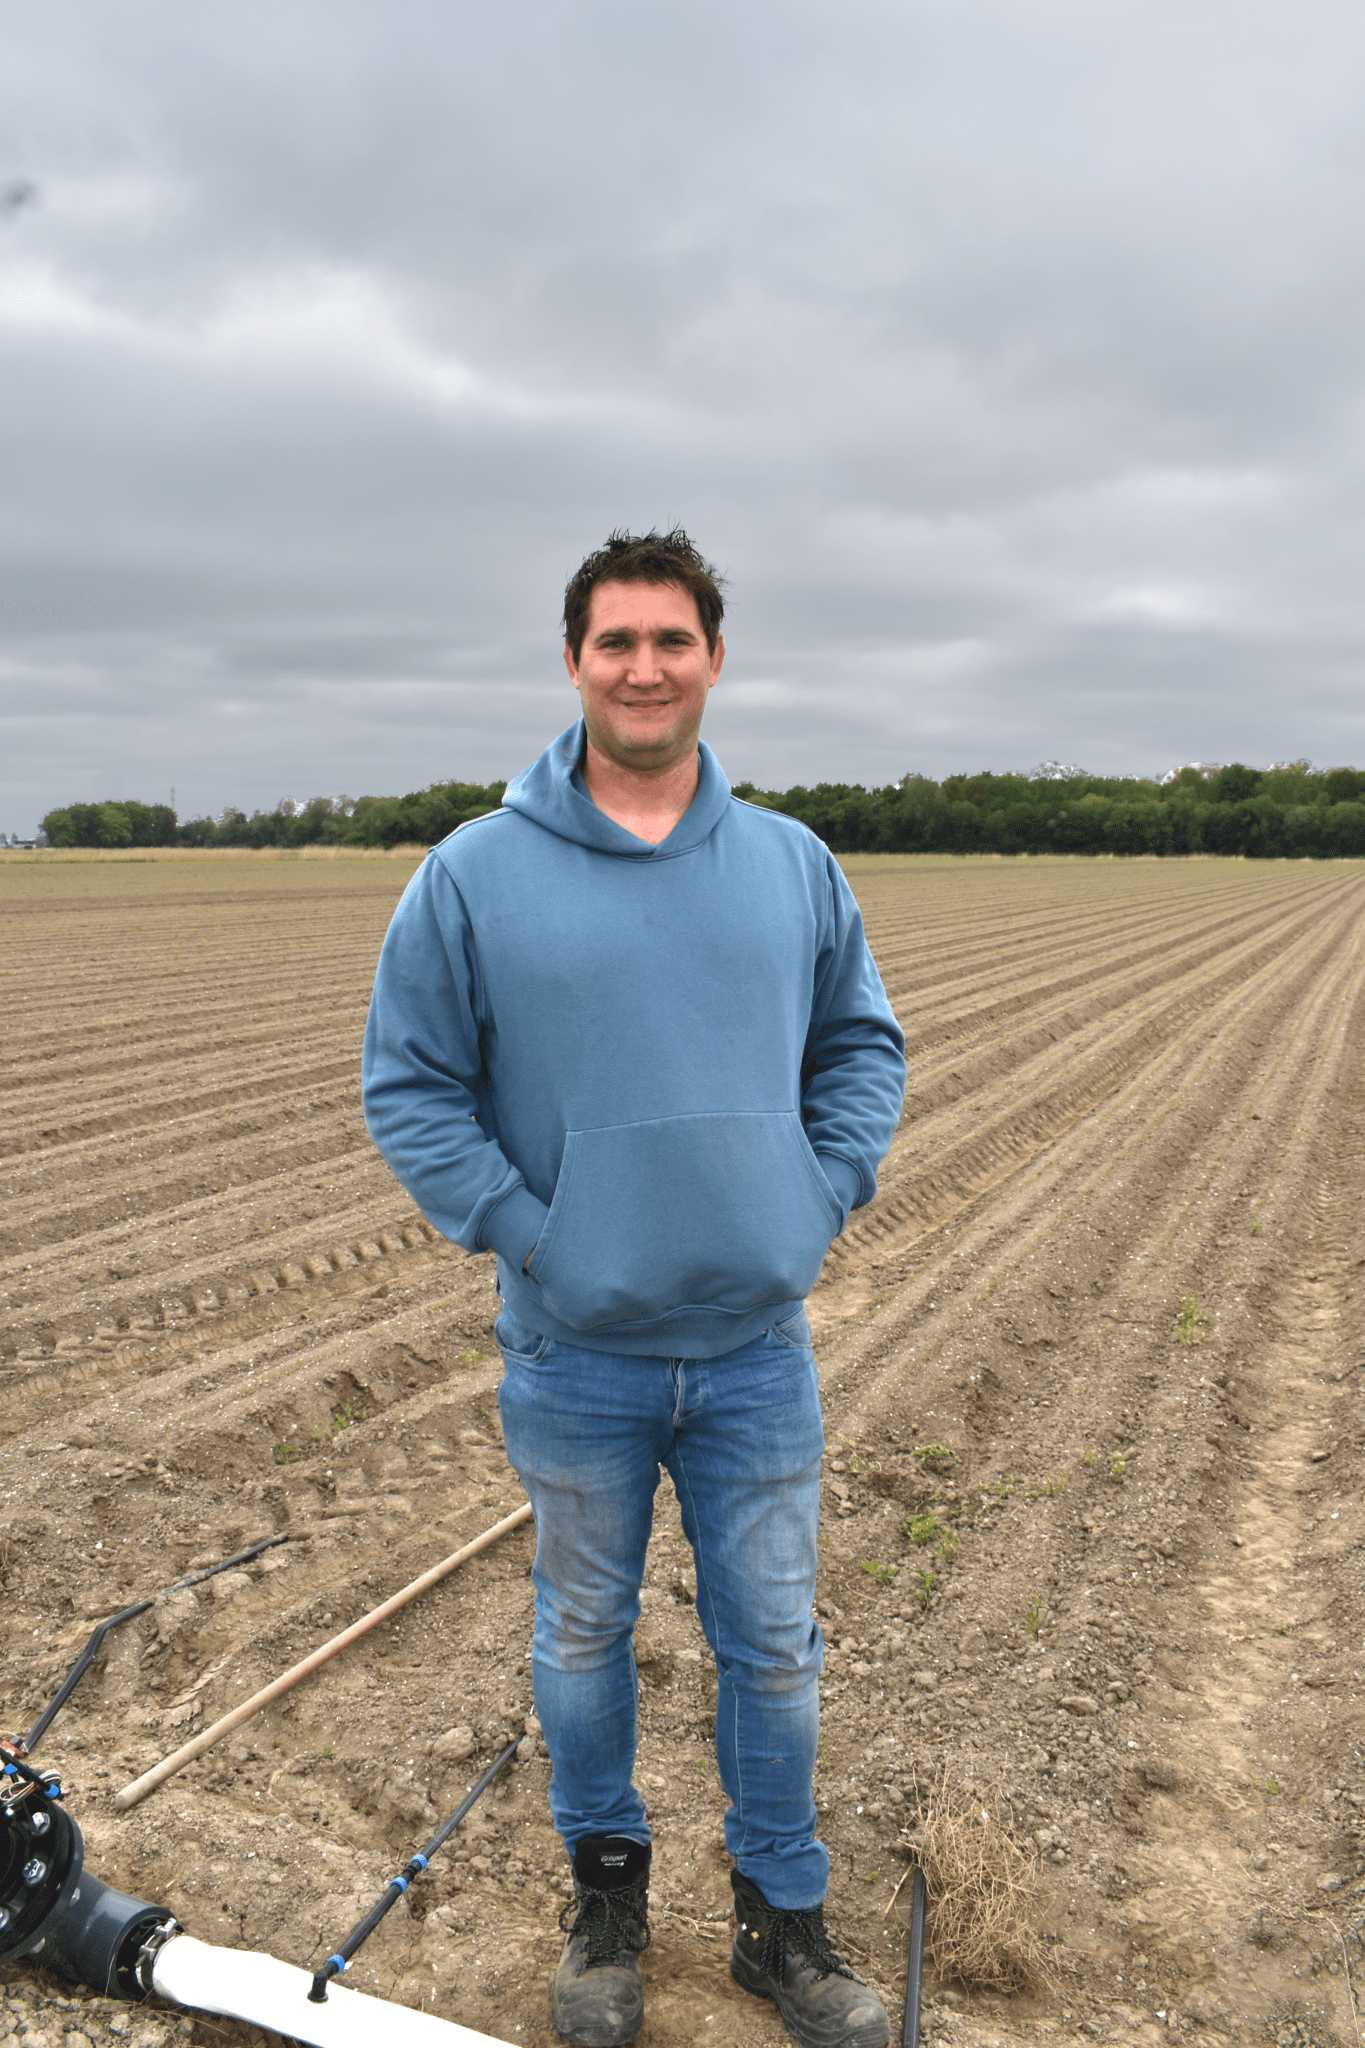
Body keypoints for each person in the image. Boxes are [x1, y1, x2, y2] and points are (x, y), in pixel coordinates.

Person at [362, 529, 906, 2048]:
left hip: (754, 1353)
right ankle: (607, 1895)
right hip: (574, 1355)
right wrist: (535, 1234)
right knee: (583, 1636)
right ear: (574, 661)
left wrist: (818, 1192)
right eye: (617, 642)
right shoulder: (473, 873)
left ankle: (781, 1926)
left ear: (714, 660)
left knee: (776, 1648)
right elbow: (409, 1085)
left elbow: (860, 1048)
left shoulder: (791, 863)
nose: (646, 667)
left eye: (674, 640)